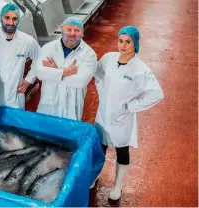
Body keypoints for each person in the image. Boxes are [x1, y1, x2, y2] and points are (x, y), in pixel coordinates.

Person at [92, 26, 164, 200]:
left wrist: (132, 106)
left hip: (121, 118)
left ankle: (118, 184)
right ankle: (94, 176)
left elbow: (157, 93)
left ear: (135, 44)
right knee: (99, 147)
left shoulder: (140, 69)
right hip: (103, 113)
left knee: (121, 149)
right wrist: (101, 87)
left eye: (128, 42)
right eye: (120, 41)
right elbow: (98, 71)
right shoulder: (109, 58)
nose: (123, 46)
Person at [0, 3, 40, 114]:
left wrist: (28, 79)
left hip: (15, 98)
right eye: (7, 18)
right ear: (0, 18)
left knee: (14, 129)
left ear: (18, 21)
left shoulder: (27, 41)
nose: (10, 23)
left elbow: (40, 58)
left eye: (14, 19)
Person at [35, 17, 97, 121]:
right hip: (48, 103)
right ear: (61, 30)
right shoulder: (48, 48)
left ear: (82, 32)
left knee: (68, 135)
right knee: (43, 133)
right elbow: (40, 73)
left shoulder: (89, 54)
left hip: (71, 106)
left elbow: (80, 82)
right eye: (69, 29)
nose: (72, 33)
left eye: (77, 30)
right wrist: (65, 72)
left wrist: (54, 70)